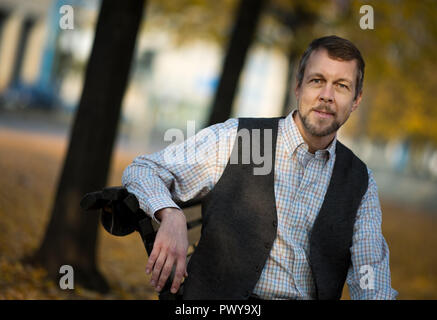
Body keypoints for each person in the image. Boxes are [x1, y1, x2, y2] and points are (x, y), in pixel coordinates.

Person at [122, 35, 398, 300]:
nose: (327, 95)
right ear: (298, 86)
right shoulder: (238, 138)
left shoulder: (360, 181)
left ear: (356, 100)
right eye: (317, 81)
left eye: (341, 86)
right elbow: (143, 169)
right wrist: (170, 213)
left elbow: (370, 268)